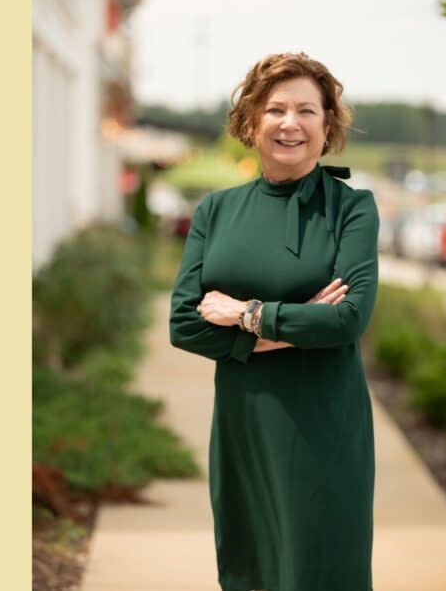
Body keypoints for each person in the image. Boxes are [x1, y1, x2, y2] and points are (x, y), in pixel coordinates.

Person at [169, 52, 379, 591]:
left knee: (322, 568)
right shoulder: (215, 211)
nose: (291, 124)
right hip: (244, 420)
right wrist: (294, 326)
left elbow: (349, 320)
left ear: (327, 124)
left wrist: (247, 315)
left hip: (323, 425)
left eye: (307, 111)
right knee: (250, 567)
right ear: (252, 122)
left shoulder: (352, 209)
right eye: (276, 110)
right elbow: (185, 324)